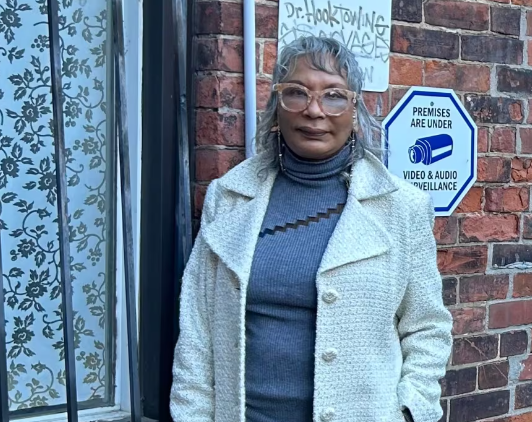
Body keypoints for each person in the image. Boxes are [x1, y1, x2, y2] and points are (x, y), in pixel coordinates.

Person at [170, 36, 452, 422]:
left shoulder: (401, 208)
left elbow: (427, 328)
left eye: (334, 96)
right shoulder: (230, 198)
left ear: (355, 111)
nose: (314, 110)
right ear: (276, 107)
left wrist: (410, 411)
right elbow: (197, 329)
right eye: (297, 93)